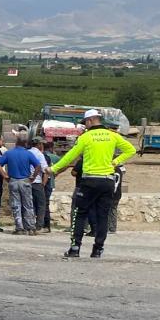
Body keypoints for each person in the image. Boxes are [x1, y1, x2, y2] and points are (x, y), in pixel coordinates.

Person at [51, 109, 136, 258]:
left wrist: (53, 169)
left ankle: (75, 247)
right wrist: (115, 162)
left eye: (85, 123)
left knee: (80, 213)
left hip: (89, 181)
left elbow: (70, 155)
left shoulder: (85, 137)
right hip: (107, 181)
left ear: (90, 121)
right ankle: (98, 249)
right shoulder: (113, 135)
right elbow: (131, 150)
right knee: (103, 215)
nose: (85, 126)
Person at [0, 132, 42, 234]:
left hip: (13, 180)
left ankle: (19, 227)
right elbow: (38, 166)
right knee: (28, 204)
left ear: (16, 143)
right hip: (25, 180)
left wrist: (4, 175)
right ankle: (31, 227)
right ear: (25, 143)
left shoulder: (9, 153)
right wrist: (33, 176)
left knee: (16, 205)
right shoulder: (28, 153)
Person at [30, 136, 53, 230]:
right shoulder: (39, 154)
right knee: (41, 204)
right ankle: (39, 225)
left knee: (29, 204)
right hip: (37, 182)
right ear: (39, 144)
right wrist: (43, 184)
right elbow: (45, 170)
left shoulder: (27, 152)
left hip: (26, 181)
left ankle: (29, 223)